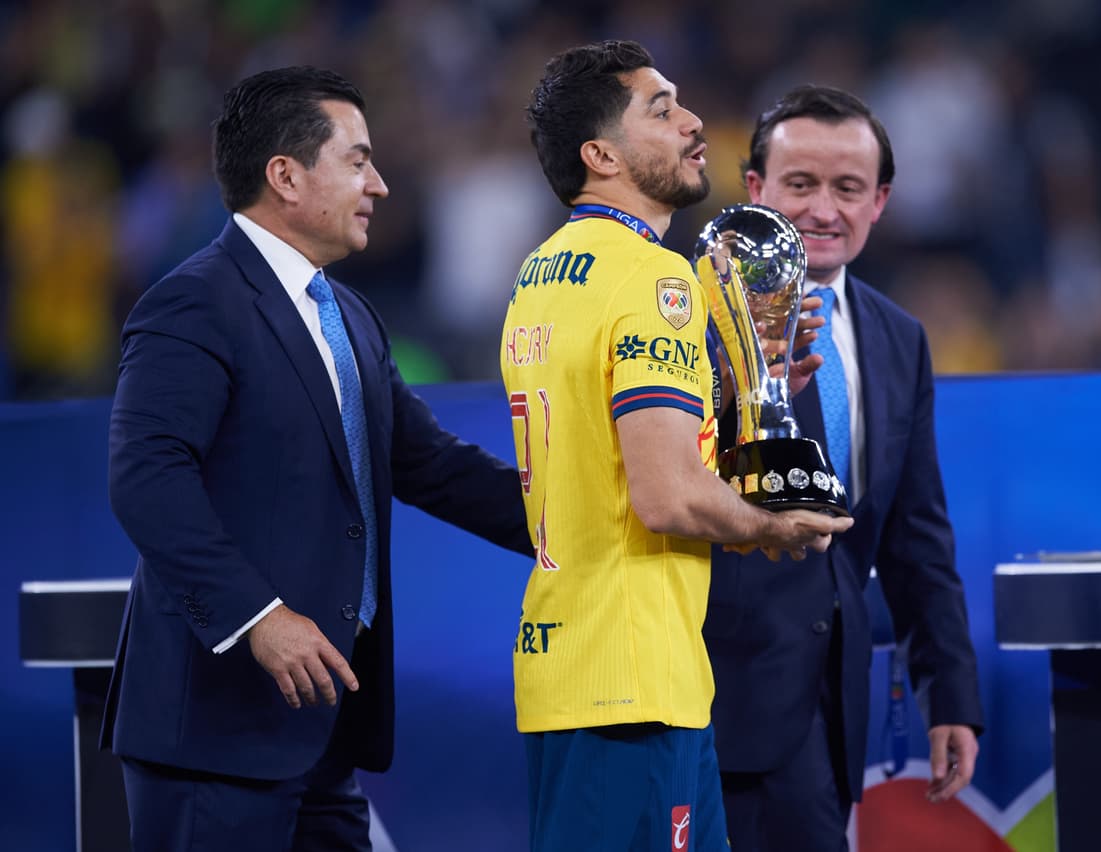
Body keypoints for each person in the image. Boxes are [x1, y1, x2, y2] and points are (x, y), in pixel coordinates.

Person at [103, 66, 532, 851]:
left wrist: (587, 519)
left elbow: (428, 463)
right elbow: (147, 479)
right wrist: (257, 617)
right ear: (286, 176)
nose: (381, 185)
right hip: (215, 735)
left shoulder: (352, 316)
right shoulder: (194, 301)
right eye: (359, 160)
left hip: (325, 736)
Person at [506, 42, 854, 852]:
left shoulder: (543, 271)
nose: (694, 123)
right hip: (633, 676)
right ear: (601, 155)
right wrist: (774, 526)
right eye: (660, 110)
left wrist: (739, 383)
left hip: (577, 662)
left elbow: (618, 451)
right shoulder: (654, 280)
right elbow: (665, 493)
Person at [704, 84, 984, 852]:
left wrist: (949, 693)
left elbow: (917, 536)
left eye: (847, 188)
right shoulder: (684, 317)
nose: (823, 209)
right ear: (756, 190)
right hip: (705, 702)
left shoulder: (900, 338)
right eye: (801, 185)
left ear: (880, 202)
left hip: (830, 711)